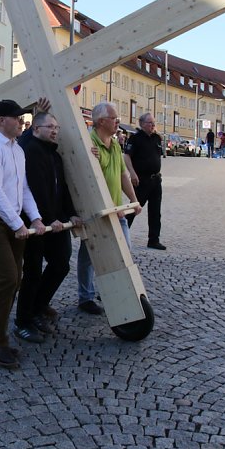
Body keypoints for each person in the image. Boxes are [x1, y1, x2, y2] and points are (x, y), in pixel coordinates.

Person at [0, 99, 46, 368]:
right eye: (17, 118)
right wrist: (17, 224)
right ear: (2, 120)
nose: (22, 122)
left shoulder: (17, 149)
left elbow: (22, 188)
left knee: (14, 280)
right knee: (8, 278)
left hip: (9, 218)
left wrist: (34, 217)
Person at [14, 112, 81, 343]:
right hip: (35, 222)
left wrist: (70, 213)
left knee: (61, 264)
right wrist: (47, 218)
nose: (54, 130)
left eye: (56, 127)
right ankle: (23, 321)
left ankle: (38, 306)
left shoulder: (55, 155)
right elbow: (35, 190)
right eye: (49, 126)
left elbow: (61, 189)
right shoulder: (29, 151)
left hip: (56, 222)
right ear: (36, 129)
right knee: (32, 271)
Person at [76, 102, 139, 315]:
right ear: (101, 121)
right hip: (95, 212)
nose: (118, 123)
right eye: (115, 119)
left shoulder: (115, 144)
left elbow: (123, 174)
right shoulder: (88, 143)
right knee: (90, 256)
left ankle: (111, 289)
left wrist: (133, 199)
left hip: (116, 211)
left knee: (125, 252)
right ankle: (86, 297)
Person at [124, 112, 166, 250]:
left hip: (155, 180)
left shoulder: (156, 138)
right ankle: (122, 236)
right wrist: (132, 173)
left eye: (154, 123)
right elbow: (127, 157)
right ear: (142, 124)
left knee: (155, 211)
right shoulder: (135, 139)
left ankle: (154, 240)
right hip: (141, 180)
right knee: (133, 208)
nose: (153, 125)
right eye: (150, 123)